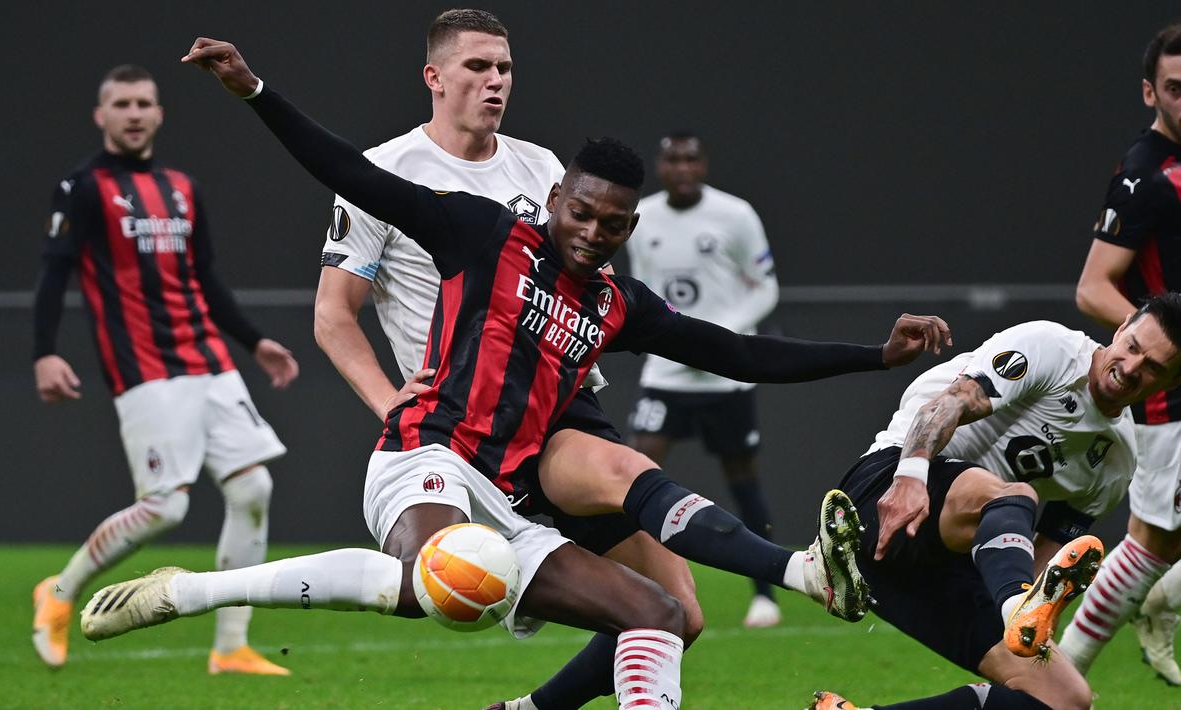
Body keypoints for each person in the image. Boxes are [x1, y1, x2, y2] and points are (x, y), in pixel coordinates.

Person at [80, 38, 949, 710]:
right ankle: (191, 591)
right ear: (555, 200)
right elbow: (348, 172)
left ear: (626, 227)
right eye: (579, 212)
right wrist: (254, 92)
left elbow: (740, 352)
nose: (590, 233)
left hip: (512, 486)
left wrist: (874, 354)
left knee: (659, 617)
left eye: (611, 225)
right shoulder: (484, 233)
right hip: (428, 451)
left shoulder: (617, 303)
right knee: (443, 574)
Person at [313, 13, 708, 708]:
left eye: (503, 68)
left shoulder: (542, 169)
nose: (494, 81)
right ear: (433, 78)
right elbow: (333, 314)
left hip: (564, 414)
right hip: (470, 432)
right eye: (476, 67)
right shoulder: (387, 171)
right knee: (433, 585)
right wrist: (388, 402)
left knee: (681, 613)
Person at [30, 64, 299, 675]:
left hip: (209, 359)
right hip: (144, 371)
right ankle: (60, 593)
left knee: (253, 487)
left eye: (143, 103)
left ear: (158, 114)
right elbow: (53, 274)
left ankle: (231, 646)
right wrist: (45, 351)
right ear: (101, 115)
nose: (133, 113)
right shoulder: (82, 188)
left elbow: (204, 279)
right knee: (166, 508)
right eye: (120, 103)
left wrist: (255, 343)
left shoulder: (181, 187)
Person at [812, 298, 1181, 709]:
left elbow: (1049, 558)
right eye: (1132, 346)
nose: (1131, 368)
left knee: (1065, 698)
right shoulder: (1052, 348)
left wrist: (1030, 630)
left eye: (1153, 368)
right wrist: (910, 478)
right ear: (1122, 326)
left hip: (943, 560)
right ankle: (1013, 604)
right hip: (886, 495)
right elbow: (952, 402)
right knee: (1015, 496)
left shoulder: (1117, 458)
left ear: (1172, 383)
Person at [1062, 22, 1181, 686]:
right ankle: (1055, 675)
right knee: (1153, 542)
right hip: (1169, 389)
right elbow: (1091, 287)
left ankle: (1160, 598)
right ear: (1149, 92)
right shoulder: (1145, 175)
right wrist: (1160, 346)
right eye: (1174, 88)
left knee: (1160, 541)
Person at [626, 131, 784, 627]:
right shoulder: (642, 217)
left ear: (704, 164)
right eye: (673, 159)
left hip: (724, 378)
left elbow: (765, 287)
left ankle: (766, 594)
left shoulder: (735, 215)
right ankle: (635, 585)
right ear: (661, 165)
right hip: (666, 372)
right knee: (631, 472)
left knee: (743, 481)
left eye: (691, 159)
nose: (682, 168)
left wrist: (722, 336)